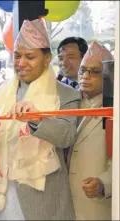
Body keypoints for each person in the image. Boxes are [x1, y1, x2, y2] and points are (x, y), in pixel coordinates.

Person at [0, 18, 81, 220]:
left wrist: (38, 120)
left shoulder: (65, 94)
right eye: (17, 56)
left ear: (47, 59)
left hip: (43, 200)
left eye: (30, 57)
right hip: (2, 195)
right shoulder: (0, 90)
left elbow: (67, 136)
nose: (21, 63)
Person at [68, 41, 113, 220]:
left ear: (109, 76)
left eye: (95, 72)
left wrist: (104, 183)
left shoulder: (113, 109)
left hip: (97, 202)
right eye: (83, 70)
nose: (86, 76)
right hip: (65, 201)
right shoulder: (69, 103)